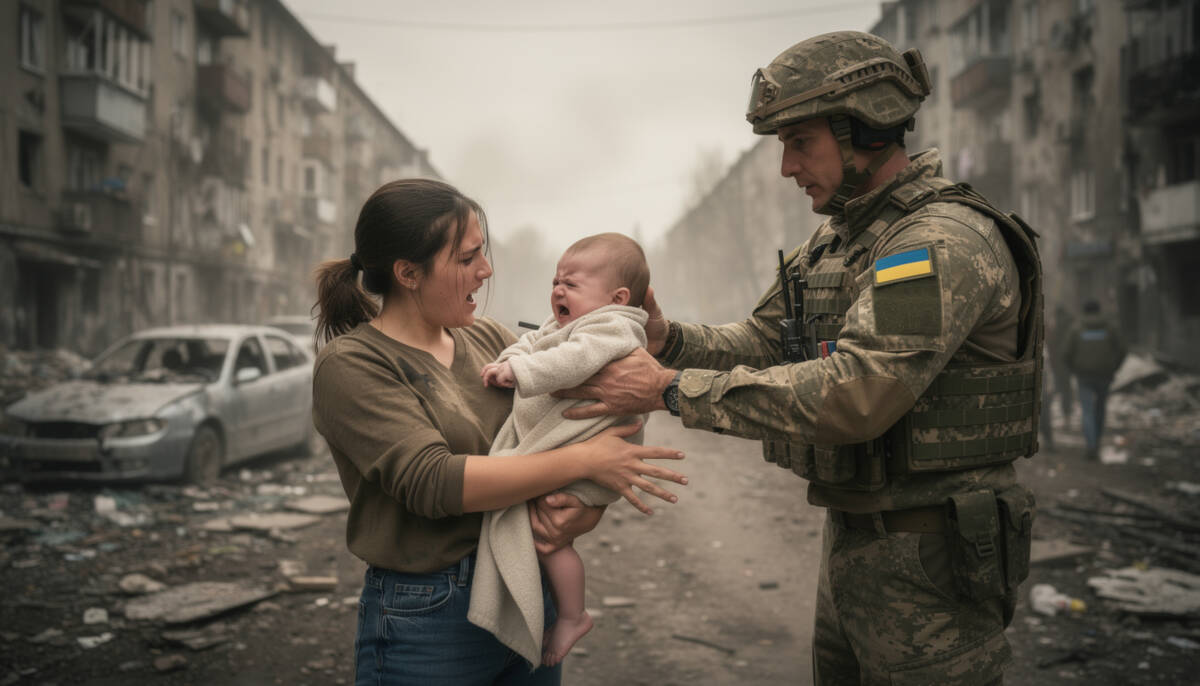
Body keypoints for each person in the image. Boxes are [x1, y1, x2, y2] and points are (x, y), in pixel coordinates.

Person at [555, 31, 1042, 685]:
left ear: (865, 129)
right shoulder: (841, 241)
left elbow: (859, 392)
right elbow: (763, 341)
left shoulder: (928, 246)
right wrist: (667, 339)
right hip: (857, 537)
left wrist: (671, 389)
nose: (787, 167)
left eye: (799, 142)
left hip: (931, 556)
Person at [310, 179, 687, 685]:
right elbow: (435, 483)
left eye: (482, 254)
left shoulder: (489, 338)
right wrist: (587, 463)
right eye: (468, 259)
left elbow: (579, 417)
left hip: (526, 586)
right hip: (430, 616)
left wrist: (584, 510)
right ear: (407, 273)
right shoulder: (353, 364)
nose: (486, 270)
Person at [471, 232, 653, 668]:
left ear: (618, 296)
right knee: (542, 536)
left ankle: (573, 615)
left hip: (591, 455)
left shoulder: (614, 328)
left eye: (571, 284)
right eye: (555, 281)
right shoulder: (563, 325)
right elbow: (530, 343)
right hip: (569, 451)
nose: (557, 291)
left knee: (552, 542)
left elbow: (572, 361)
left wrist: (523, 372)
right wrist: (509, 360)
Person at [1063, 300, 1127, 460]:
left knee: (1087, 411)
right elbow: (1123, 350)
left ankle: (1090, 445)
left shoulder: (1076, 328)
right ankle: (1097, 443)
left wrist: (1074, 369)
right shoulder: (1110, 327)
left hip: (1083, 375)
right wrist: (1114, 367)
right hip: (1105, 375)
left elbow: (1066, 353)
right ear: (1099, 311)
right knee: (1100, 409)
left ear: (1084, 312)